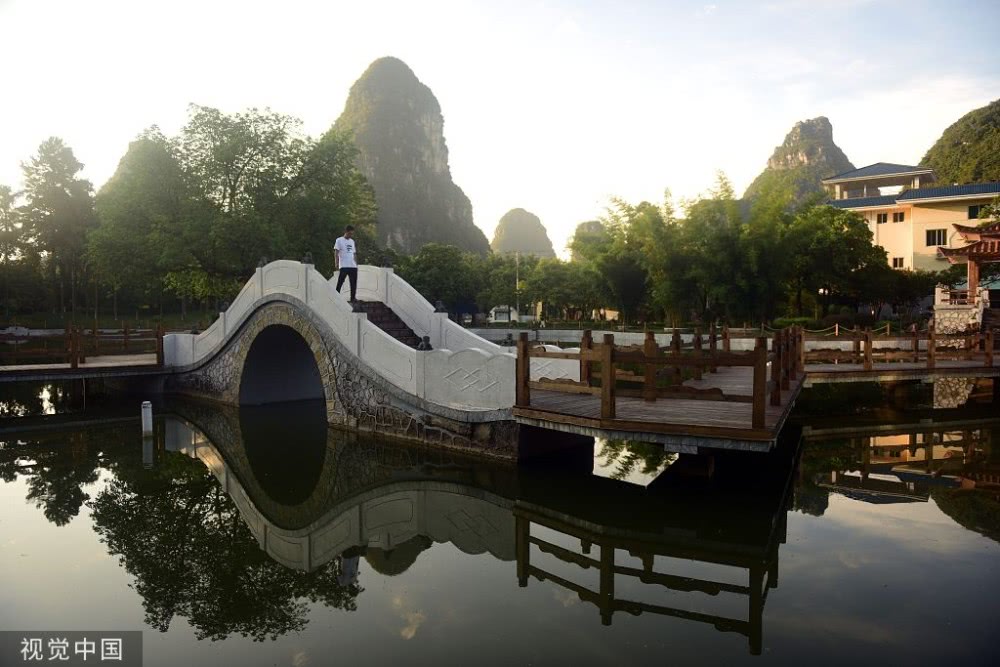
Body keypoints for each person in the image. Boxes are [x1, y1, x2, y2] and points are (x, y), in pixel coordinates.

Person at [334, 225, 358, 302]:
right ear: (346, 232)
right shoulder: (339, 240)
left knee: (353, 283)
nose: (351, 235)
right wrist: (336, 263)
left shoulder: (352, 241)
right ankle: (336, 296)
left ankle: (353, 298)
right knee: (340, 281)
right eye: (350, 233)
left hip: (352, 266)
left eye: (352, 234)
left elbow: (354, 253)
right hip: (344, 265)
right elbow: (336, 252)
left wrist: (356, 264)